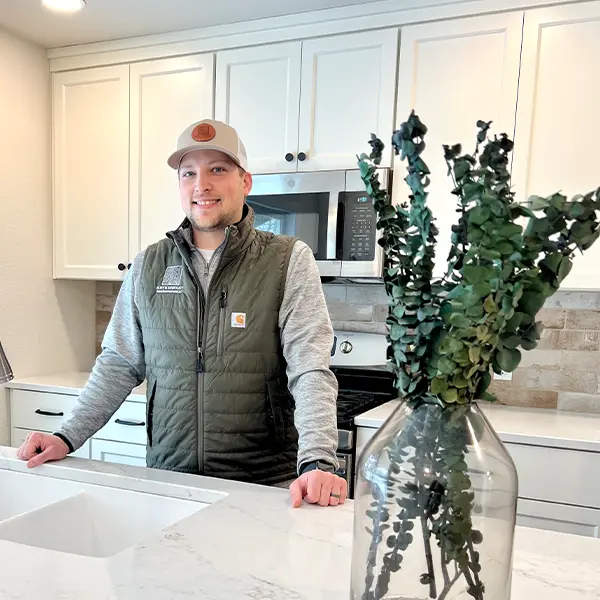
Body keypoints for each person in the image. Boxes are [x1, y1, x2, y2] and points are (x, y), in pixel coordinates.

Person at [17, 119, 347, 508]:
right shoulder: (149, 264)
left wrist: (317, 461)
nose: (201, 185)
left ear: (245, 183)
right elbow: (119, 363)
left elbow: (309, 368)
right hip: (166, 481)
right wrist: (66, 435)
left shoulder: (287, 260)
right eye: (188, 173)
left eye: (218, 170)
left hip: (263, 485)